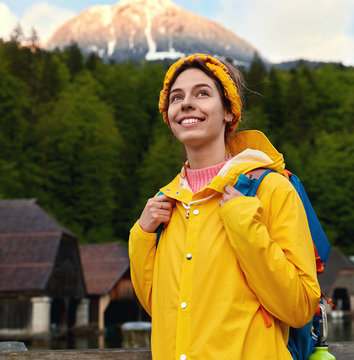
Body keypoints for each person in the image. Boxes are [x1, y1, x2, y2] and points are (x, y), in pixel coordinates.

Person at [129, 53, 320, 359]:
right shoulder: (166, 204)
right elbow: (162, 311)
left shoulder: (271, 189)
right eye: (176, 97)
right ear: (169, 115)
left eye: (202, 93)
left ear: (229, 112)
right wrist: (141, 236)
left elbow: (299, 307)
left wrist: (244, 225)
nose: (186, 103)